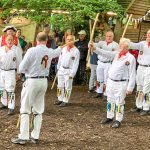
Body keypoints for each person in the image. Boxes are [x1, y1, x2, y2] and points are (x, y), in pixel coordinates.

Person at [11, 32, 62, 145]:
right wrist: (63, 46)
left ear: (36, 40)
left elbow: (21, 67)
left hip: (32, 80)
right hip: (44, 81)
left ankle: (23, 136)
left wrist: (27, 70)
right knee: (38, 109)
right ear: (47, 40)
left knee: (25, 109)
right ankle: (35, 135)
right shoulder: (49, 51)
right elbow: (57, 51)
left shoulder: (32, 50)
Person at [89, 38, 136, 128]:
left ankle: (118, 119)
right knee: (110, 100)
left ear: (127, 46)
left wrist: (130, 87)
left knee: (119, 102)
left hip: (121, 83)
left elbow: (132, 73)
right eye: (120, 44)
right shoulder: (116, 54)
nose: (120, 46)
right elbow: (104, 53)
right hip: (110, 81)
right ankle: (109, 116)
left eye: (122, 44)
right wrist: (94, 48)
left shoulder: (130, 58)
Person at [54, 35, 80, 107]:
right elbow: (60, 59)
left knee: (68, 86)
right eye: (68, 39)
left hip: (69, 70)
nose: (69, 41)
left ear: (74, 41)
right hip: (61, 69)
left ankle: (65, 100)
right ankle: (60, 98)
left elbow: (76, 64)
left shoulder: (76, 51)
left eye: (71, 39)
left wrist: (72, 74)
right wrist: (58, 68)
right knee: (59, 85)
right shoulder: (63, 49)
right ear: (66, 40)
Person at [0, 35, 22, 115]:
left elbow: (19, 62)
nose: (9, 41)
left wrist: (18, 73)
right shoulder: (1, 49)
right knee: (1, 89)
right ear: (5, 40)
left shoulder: (16, 50)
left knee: (10, 90)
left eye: (11, 40)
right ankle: (4, 103)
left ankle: (11, 107)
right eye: (8, 40)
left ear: (14, 41)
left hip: (11, 72)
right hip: (1, 71)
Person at [130, 29, 150, 116]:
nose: (149, 35)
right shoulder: (142, 43)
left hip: (149, 68)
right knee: (139, 87)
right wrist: (126, 42)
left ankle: (146, 107)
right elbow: (133, 45)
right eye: (148, 33)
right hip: (140, 67)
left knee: (146, 88)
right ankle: (138, 105)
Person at [94, 30, 118, 98]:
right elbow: (94, 46)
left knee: (106, 79)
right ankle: (99, 92)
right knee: (99, 78)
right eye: (107, 36)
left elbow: (113, 55)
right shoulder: (101, 43)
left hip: (108, 64)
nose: (108, 37)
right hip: (100, 62)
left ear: (113, 37)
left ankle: (106, 93)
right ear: (105, 36)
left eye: (110, 36)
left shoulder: (116, 45)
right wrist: (91, 43)